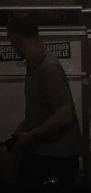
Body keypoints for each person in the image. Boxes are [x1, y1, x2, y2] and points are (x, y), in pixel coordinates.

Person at [5, 14, 81, 185]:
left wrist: (29, 136)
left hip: (56, 156)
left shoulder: (48, 67)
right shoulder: (35, 65)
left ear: (17, 38)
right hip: (42, 151)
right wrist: (24, 126)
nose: (10, 43)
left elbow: (64, 114)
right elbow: (42, 109)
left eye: (10, 38)